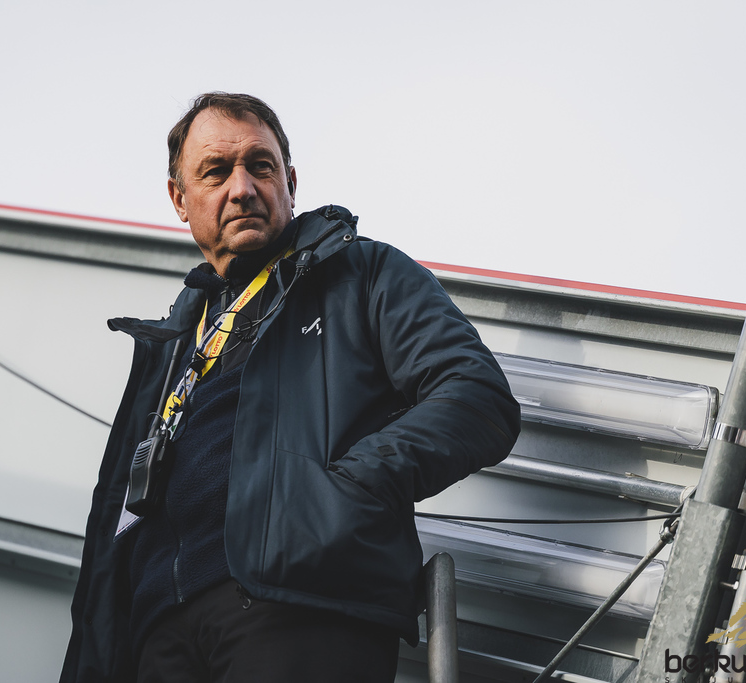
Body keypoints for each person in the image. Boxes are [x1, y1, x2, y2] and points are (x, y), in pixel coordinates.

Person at [61, 92, 521, 683]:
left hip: (300, 606)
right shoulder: (172, 342)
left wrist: (338, 491)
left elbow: (477, 397)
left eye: (261, 166)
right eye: (215, 171)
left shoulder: (362, 273)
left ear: (290, 182)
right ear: (179, 198)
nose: (242, 188)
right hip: (159, 638)